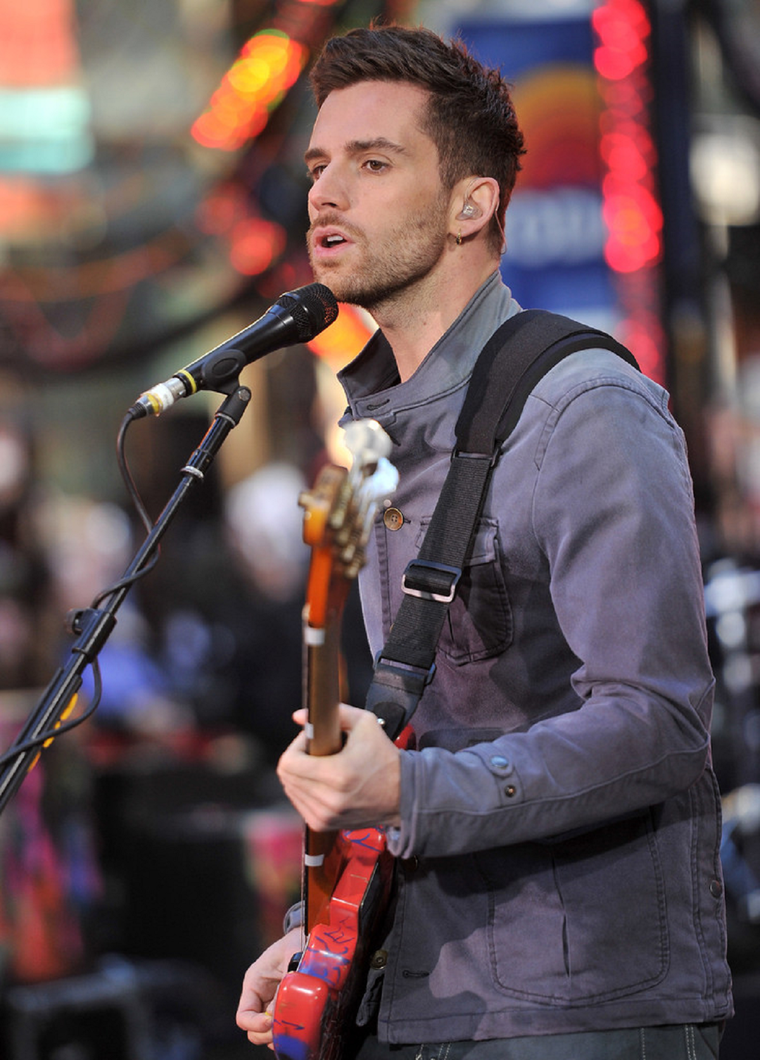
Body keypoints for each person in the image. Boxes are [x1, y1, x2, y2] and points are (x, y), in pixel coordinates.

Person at [237, 23, 733, 1060]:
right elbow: (420, 732)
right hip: (430, 994)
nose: (325, 194)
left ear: (474, 203)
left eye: (373, 164)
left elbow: (660, 720)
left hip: (581, 1007)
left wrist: (405, 791)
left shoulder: (586, 407)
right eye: (320, 165)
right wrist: (325, 932)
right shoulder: (376, 437)